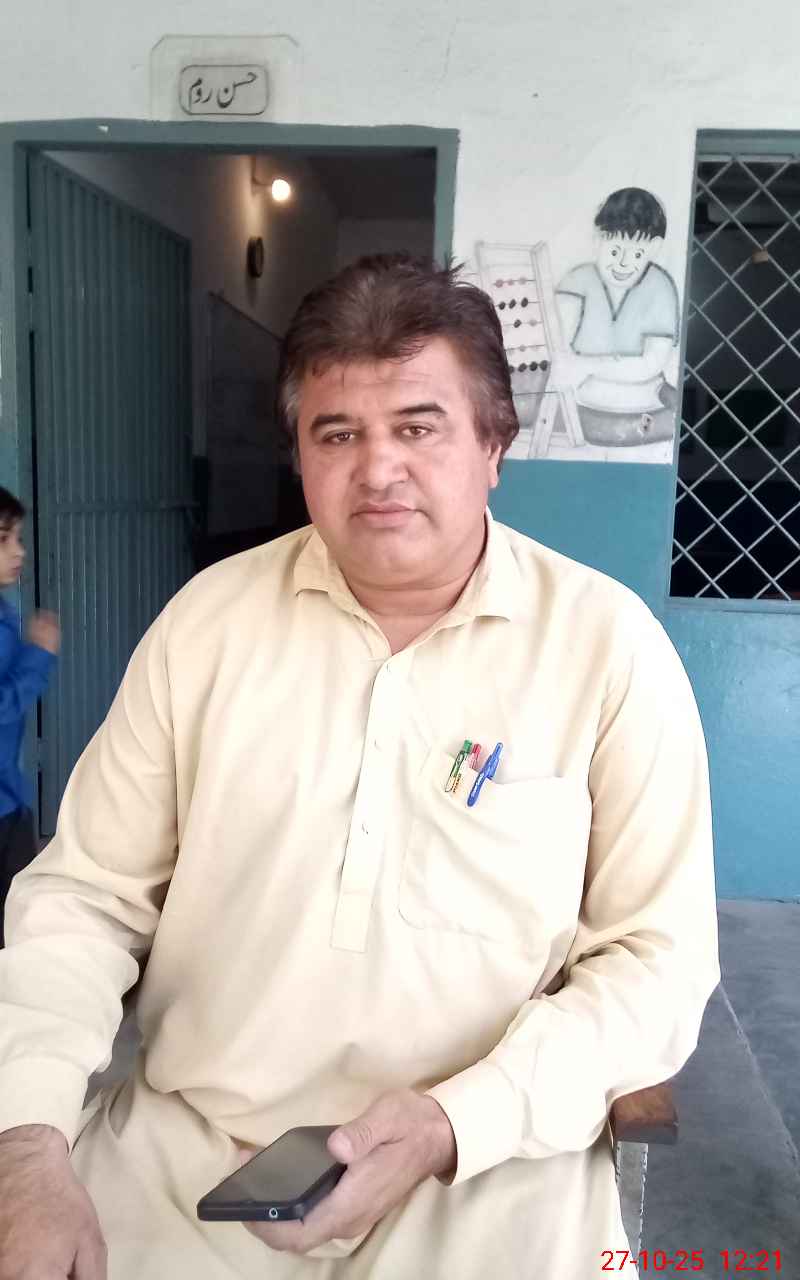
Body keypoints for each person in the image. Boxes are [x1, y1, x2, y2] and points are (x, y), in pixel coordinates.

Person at [0, 255, 718, 1280]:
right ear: (299, 454)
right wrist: (26, 1144)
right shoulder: (207, 625)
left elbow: (656, 961)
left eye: (418, 428)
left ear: (494, 445)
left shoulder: (606, 647)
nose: (377, 470)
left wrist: (453, 1121)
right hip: (196, 1156)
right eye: (337, 434)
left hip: (487, 1166)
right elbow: (85, 898)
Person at [553, 187, 681, 446]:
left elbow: (651, 364)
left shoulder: (661, 287)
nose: (623, 263)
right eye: (614, 251)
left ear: (654, 248)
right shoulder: (576, 282)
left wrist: (587, 365)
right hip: (587, 400)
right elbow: (559, 352)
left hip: (647, 398)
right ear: (598, 241)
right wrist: (578, 368)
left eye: (637, 254)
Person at [0, 486, 59, 948]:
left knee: (19, 921)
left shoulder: (5, 611)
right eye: (4, 539)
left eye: (17, 537)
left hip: (9, 799)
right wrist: (38, 655)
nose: (19, 550)